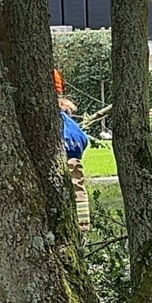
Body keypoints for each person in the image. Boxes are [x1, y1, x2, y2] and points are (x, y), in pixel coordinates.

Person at [59, 97, 91, 232]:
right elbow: (84, 139)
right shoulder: (72, 124)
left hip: (63, 154)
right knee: (78, 189)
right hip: (75, 157)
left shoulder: (59, 120)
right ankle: (84, 223)